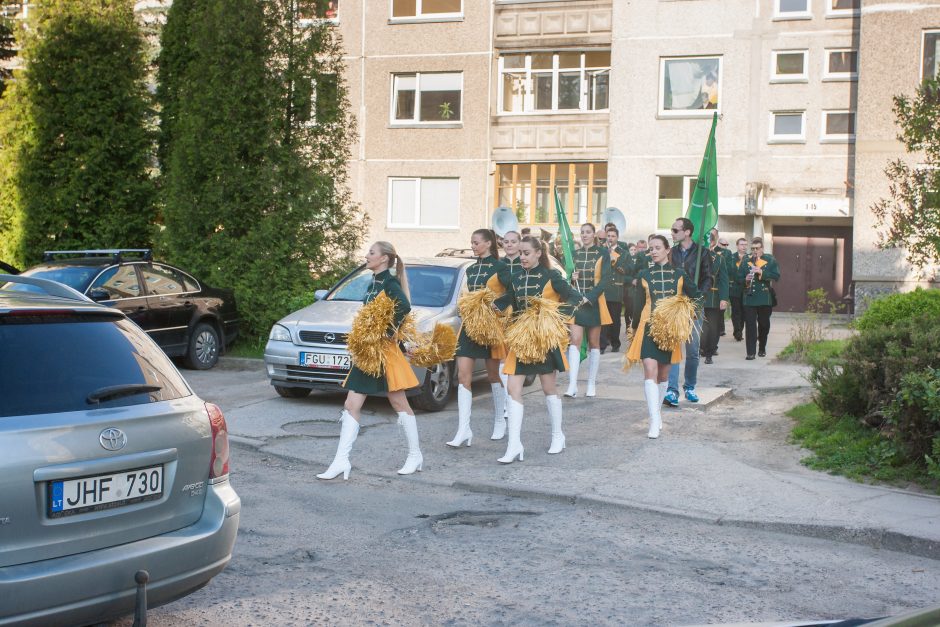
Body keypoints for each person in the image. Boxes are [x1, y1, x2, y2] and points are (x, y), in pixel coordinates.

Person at [318, 241, 421, 480]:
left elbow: (404, 306)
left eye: (371, 253)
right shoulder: (374, 282)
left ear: (384, 258)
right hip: (368, 354)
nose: (367, 256)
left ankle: (415, 455)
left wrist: (387, 334)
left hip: (384, 353)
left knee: (399, 404)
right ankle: (341, 461)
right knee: (351, 404)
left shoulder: (389, 282)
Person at [495, 237, 586, 462]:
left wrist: (554, 321)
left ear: (538, 253)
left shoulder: (551, 276)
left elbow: (574, 298)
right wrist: (494, 306)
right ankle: (514, 445)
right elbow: (513, 303)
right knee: (512, 388)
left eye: (526, 253)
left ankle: (558, 435)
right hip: (522, 340)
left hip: (543, 340)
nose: (523, 257)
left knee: (548, 388)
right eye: (521, 253)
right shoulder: (515, 277)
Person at [627, 235, 699, 438]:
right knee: (649, 370)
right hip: (647, 327)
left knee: (663, 376)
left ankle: (656, 412)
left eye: (658, 247)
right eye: (651, 248)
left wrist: (687, 313)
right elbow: (637, 305)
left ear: (668, 250)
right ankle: (653, 419)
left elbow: (697, 297)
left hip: (670, 331)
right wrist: (633, 330)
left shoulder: (679, 274)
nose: (654, 251)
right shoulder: (644, 274)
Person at [449, 229, 513, 446]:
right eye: (472, 242)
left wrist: (499, 305)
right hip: (470, 326)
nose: (473, 246)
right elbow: (467, 295)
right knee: (463, 377)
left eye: (476, 242)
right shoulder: (472, 269)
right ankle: (463, 429)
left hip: (492, 326)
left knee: (493, 376)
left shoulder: (501, 267)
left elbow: (512, 290)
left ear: (488, 244)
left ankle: (499, 421)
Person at [663, 218, 713, 407]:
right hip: (675, 305)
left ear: (687, 232)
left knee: (692, 349)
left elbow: (708, 278)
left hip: (694, 305)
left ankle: (690, 386)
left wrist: (699, 298)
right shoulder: (672, 253)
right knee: (674, 348)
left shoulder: (702, 252)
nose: (673, 233)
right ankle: (672, 390)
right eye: (672, 229)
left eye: (676, 230)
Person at [565, 223, 612, 398]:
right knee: (574, 340)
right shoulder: (574, 255)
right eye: (582, 232)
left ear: (594, 235)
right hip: (577, 302)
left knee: (594, 342)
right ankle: (572, 384)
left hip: (594, 303)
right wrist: (572, 278)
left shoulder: (602, 254)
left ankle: (591, 383)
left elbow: (606, 280)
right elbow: (567, 280)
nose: (584, 235)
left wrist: (590, 297)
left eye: (588, 232)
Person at [497, 229, 523, 426]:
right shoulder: (500, 264)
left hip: (522, 315)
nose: (509, 245)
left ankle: (514, 398)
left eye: (513, 241)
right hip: (503, 314)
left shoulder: (525, 263)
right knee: (503, 358)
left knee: (518, 359)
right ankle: (507, 402)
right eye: (506, 241)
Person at [739, 237, 781, 360]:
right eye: (752, 248)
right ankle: (750, 352)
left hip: (764, 298)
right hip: (749, 298)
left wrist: (762, 273)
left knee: (764, 325)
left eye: (757, 248)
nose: (754, 251)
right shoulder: (746, 260)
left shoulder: (770, 259)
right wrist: (745, 279)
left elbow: (776, 276)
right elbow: (739, 278)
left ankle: (762, 347)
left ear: (762, 248)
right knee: (750, 326)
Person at [600, 224, 631, 353]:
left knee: (615, 319)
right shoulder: (601, 251)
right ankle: (602, 345)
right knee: (603, 319)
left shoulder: (623, 253)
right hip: (603, 289)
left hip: (616, 289)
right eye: (608, 236)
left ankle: (615, 343)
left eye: (613, 236)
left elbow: (629, 268)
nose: (610, 238)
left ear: (617, 238)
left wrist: (616, 263)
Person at [700, 230, 729, 365]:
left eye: (706, 242)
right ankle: (701, 348)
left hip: (713, 297)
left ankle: (709, 352)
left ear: (712, 243)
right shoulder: (693, 258)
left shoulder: (719, 259)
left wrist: (724, 298)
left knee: (712, 327)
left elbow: (723, 280)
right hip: (697, 297)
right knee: (700, 327)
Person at [729, 237, 748, 341]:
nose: (744, 246)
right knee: (736, 311)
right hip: (734, 289)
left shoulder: (750, 258)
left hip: (745, 290)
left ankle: (740, 329)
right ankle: (737, 332)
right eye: (742, 244)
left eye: (745, 244)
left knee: (744, 312)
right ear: (737, 246)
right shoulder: (731, 258)